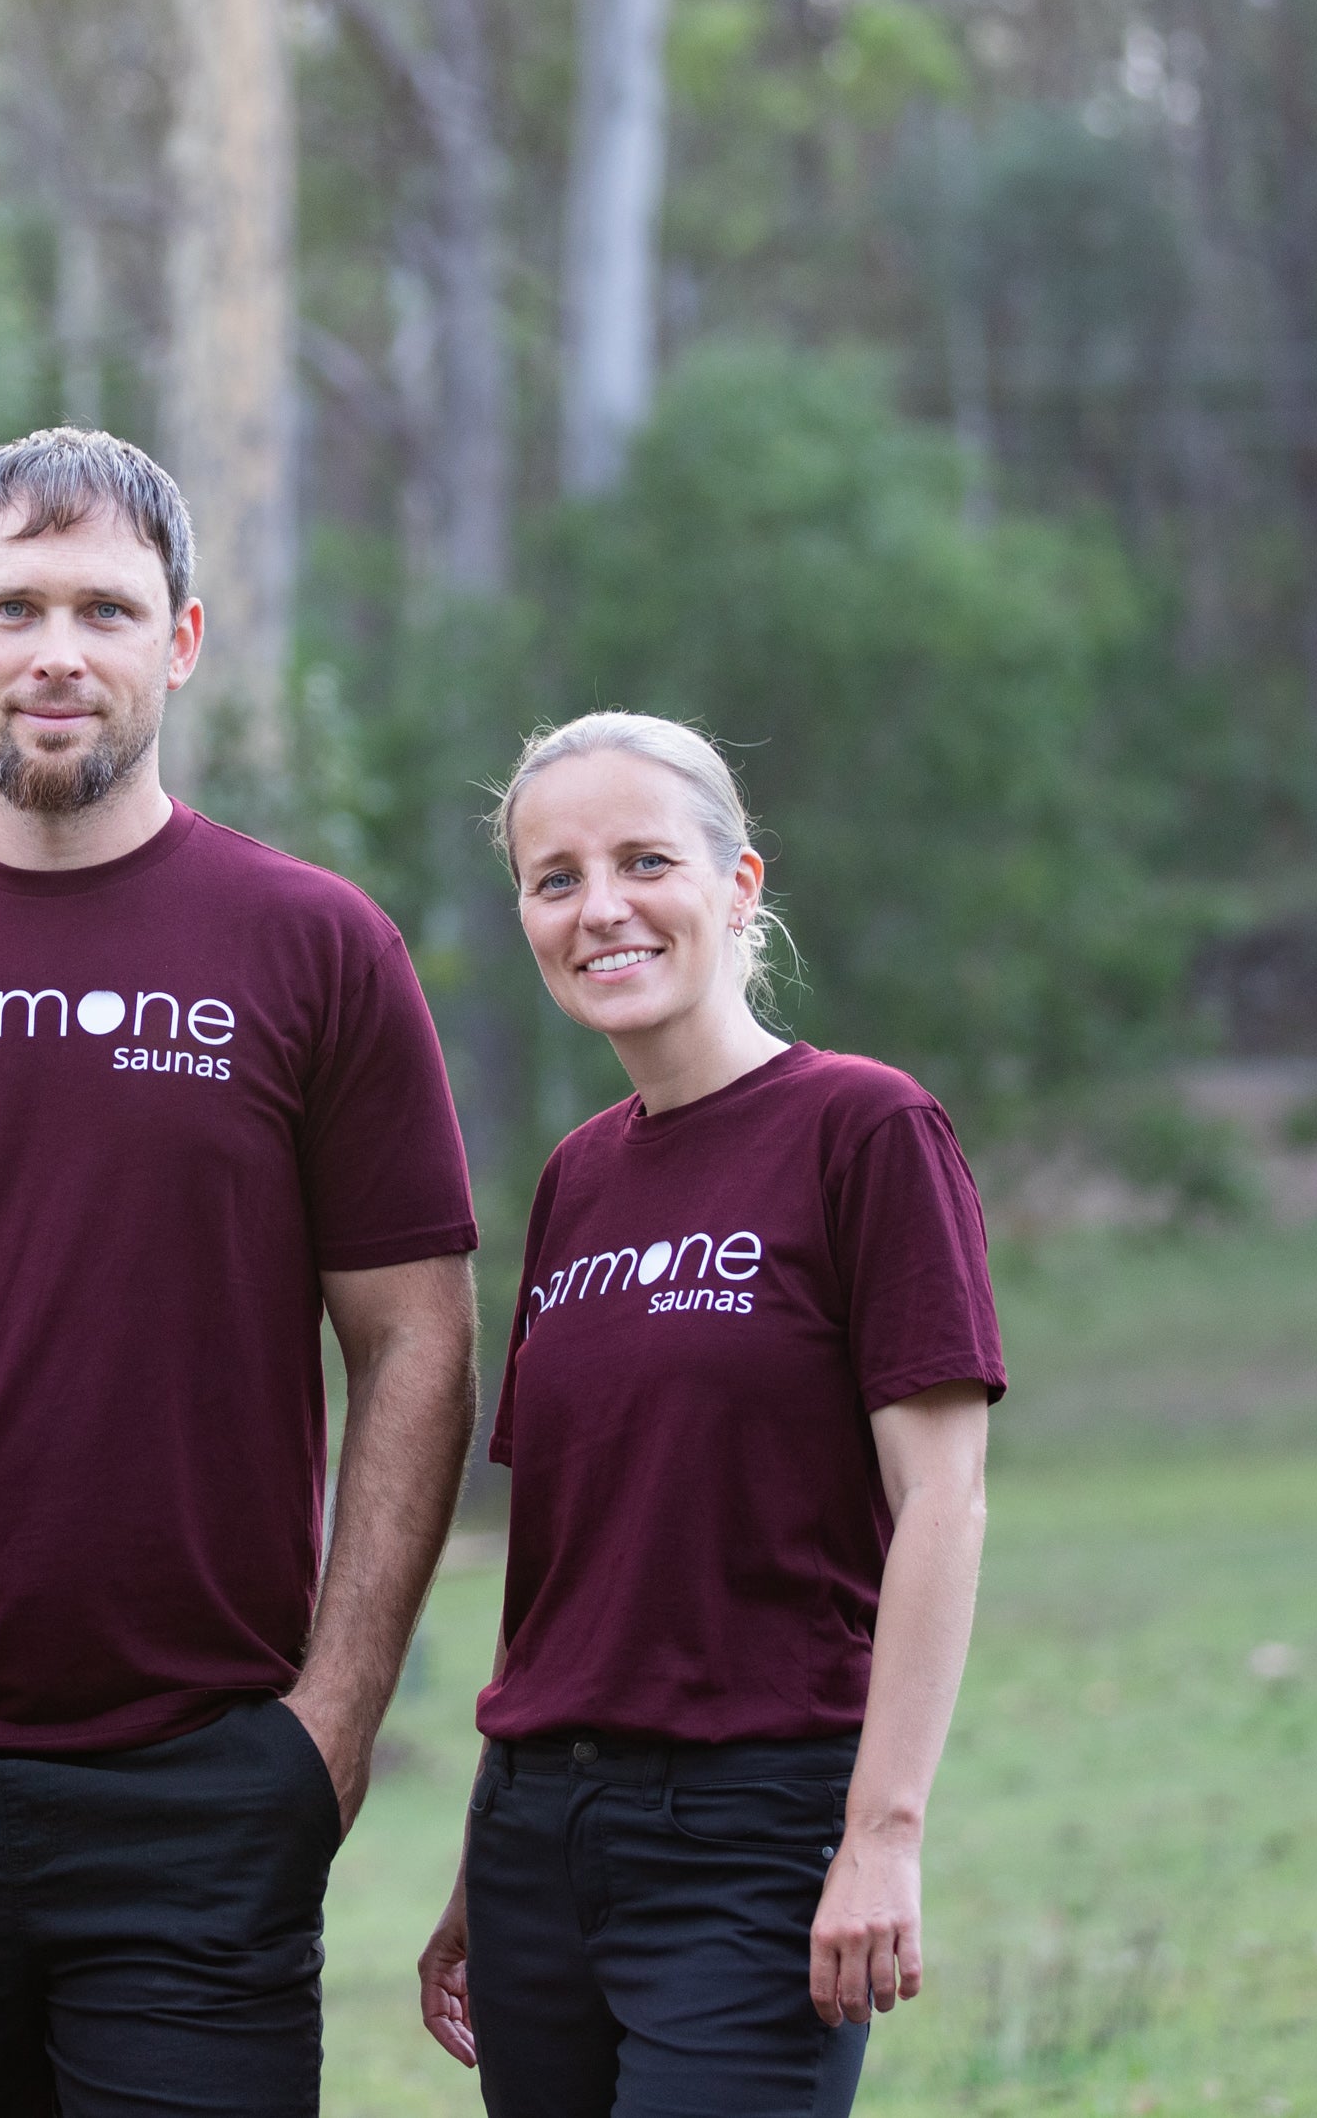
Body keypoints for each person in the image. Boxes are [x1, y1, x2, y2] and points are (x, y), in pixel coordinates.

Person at [0, 428, 484, 2115]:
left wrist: (329, 1727)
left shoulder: (319, 949)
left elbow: (414, 1343)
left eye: (108, 609)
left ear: (181, 641)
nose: (60, 650)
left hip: (205, 1786)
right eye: (17, 605)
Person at [417, 711, 1004, 2118]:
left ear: (738, 885)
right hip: (537, 1841)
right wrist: (475, 1864)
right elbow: (569, 1553)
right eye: (555, 878)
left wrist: (883, 1834)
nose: (599, 907)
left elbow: (943, 1500)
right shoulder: (573, 1182)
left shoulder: (865, 1132)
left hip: (754, 1834)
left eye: (642, 860)